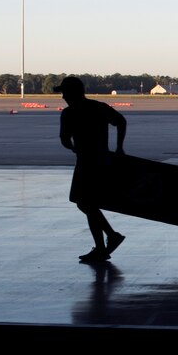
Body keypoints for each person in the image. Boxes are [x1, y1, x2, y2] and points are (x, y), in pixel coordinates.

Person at [59, 76, 127, 263]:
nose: (63, 96)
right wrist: (119, 147)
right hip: (102, 161)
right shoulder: (99, 107)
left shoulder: (68, 113)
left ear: (72, 93)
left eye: (64, 92)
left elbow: (64, 140)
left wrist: (72, 145)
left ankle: (104, 245)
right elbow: (121, 122)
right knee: (87, 204)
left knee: (86, 203)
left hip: (86, 164)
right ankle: (109, 238)